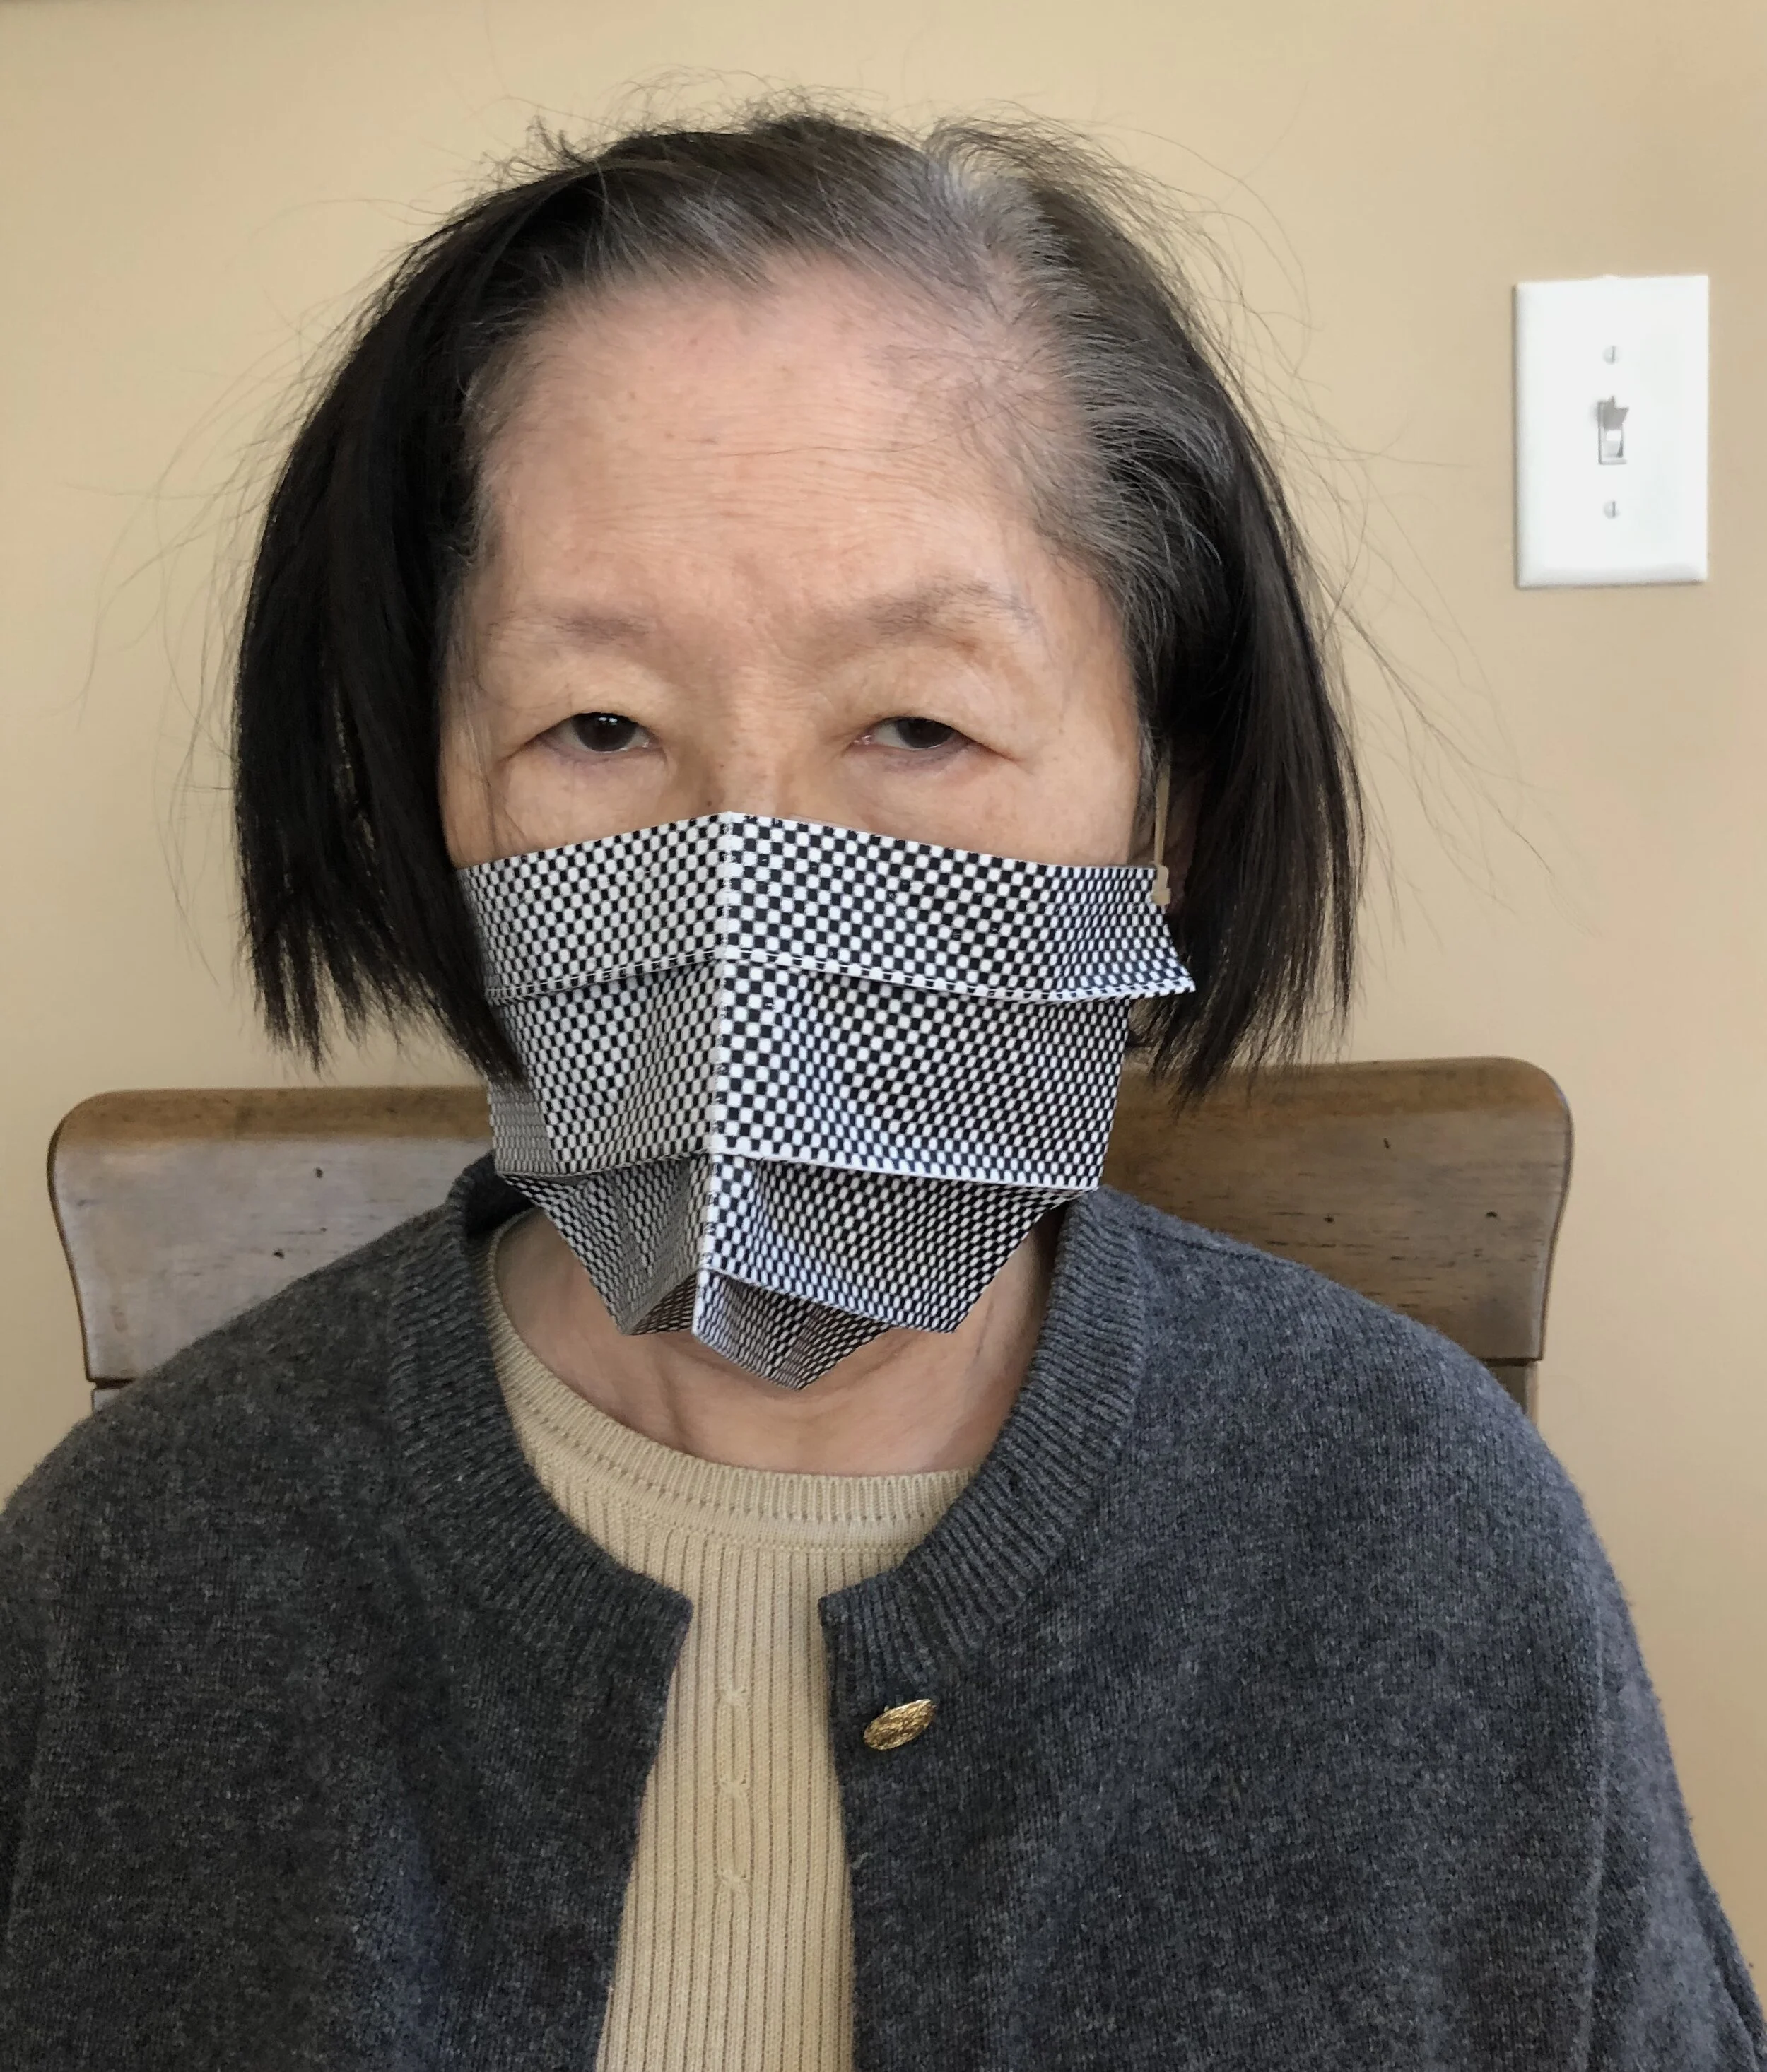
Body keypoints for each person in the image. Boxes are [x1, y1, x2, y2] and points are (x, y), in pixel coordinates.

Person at [1, 107, 1760, 2072]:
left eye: (919, 724)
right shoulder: (124, 1588)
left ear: (1160, 807)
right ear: (430, 797)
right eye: (599, 725)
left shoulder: (1438, 1554)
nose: (746, 877)